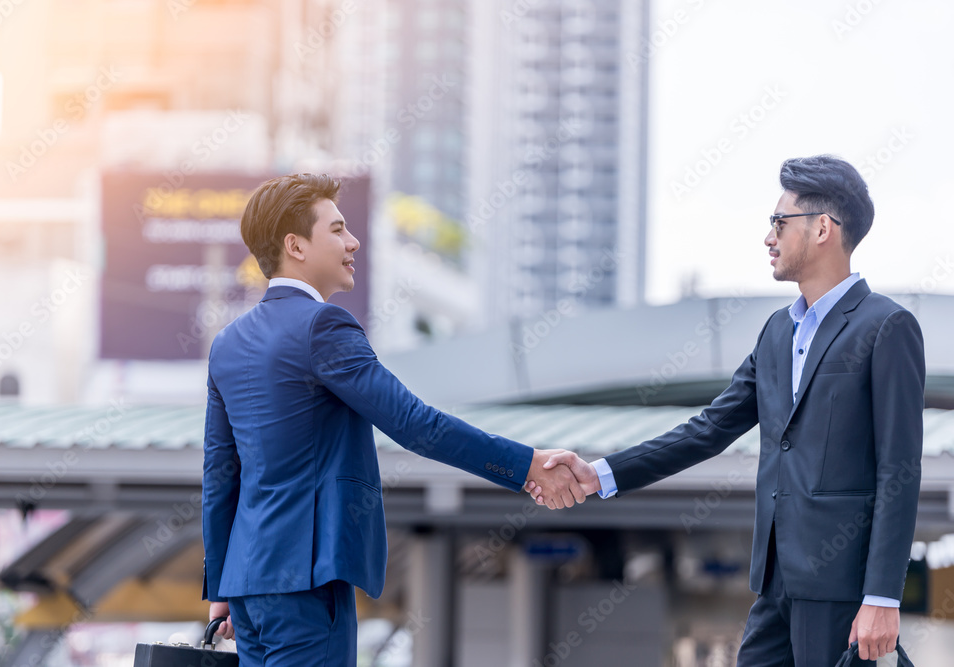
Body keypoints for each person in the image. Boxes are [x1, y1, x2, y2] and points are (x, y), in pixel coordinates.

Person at [528, 155, 925, 665]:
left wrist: (883, 596)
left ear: (823, 228)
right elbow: (709, 429)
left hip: (841, 588)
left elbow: (900, 467)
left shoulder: (885, 326)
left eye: (779, 222)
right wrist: (600, 474)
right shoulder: (777, 332)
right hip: (774, 581)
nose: (769, 237)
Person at [201, 173, 584, 667]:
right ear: (295, 246)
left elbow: (219, 476)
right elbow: (414, 423)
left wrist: (222, 588)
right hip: (307, 579)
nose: (353, 241)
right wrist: (527, 465)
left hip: (248, 587)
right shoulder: (323, 326)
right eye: (337, 230)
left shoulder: (226, 344)